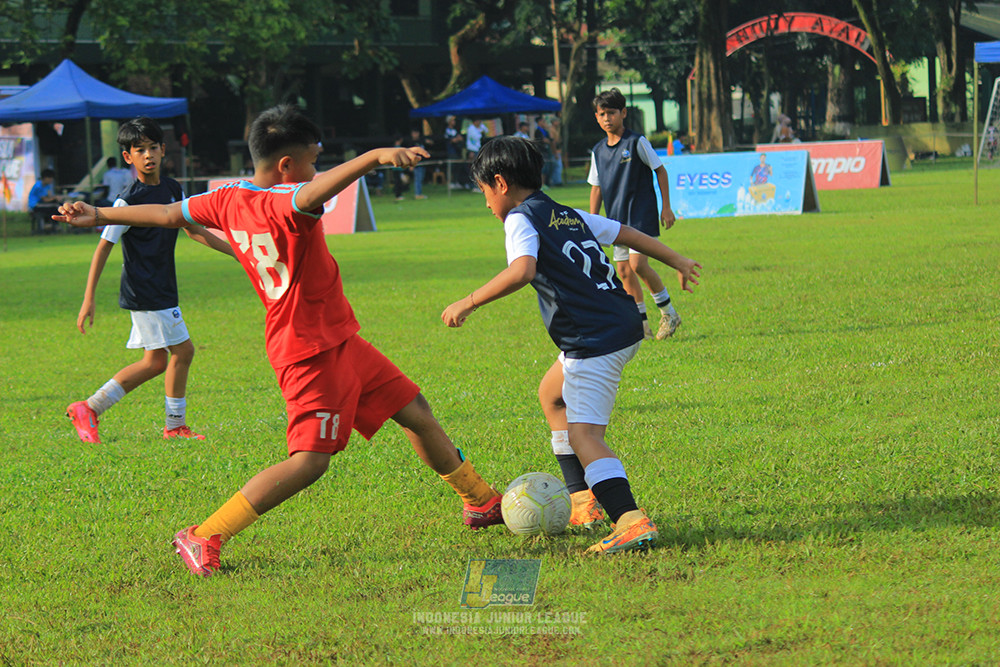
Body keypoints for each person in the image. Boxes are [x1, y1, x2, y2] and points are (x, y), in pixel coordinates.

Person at [55, 105, 504, 577]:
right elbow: (317, 189)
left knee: (414, 409)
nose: (315, 168)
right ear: (286, 165)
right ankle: (204, 533)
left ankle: (480, 501)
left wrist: (99, 212)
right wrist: (374, 157)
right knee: (310, 461)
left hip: (340, 339)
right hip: (307, 349)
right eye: (311, 159)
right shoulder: (286, 204)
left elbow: (169, 214)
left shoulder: (227, 198)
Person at [441, 137, 701, 553]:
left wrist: (468, 301)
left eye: (484, 191)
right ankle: (583, 501)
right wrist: (678, 260)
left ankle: (629, 519)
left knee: (585, 436)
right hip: (620, 323)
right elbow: (627, 232)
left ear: (500, 183)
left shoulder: (519, 219)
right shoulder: (565, 214)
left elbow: (523, 270)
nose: (486, 202)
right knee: (552, 395)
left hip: (593, 339)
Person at [66, 117, 235, 445]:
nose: (148, 155)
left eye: (153, 148)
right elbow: (104, 247)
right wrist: (89, 298)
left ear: (163, 150)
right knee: (183, 351)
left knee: (155, 361)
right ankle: (175, 426)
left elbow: (193, 230)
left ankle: (89, 407)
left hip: (162, 287)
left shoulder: (173, 189)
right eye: (139, 150)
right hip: (145, 290)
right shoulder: (127, 200)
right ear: (128, 157)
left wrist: (235, 252)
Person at [589, 87, 681, 341]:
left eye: (612, 113)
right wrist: (592, 221)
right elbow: (596, 188)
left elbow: (660, 170)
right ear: (596, 117)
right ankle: (642, 326)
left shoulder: (636, 142)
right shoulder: (598, 151)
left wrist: (666, 206)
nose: (607, 118)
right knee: (624, 271)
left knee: (638, 264)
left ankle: (669, 313)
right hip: (616, 220)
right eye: (602, 114)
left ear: (623, 113)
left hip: (640, 215)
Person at [28, 168, 60, 234]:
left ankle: (52, 225)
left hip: (42, 204)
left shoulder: (47, 186)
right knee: (56, 206)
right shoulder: (38, 186)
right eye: (50, 178)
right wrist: (55, 198)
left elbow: (49, 196)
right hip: (36, 205)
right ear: (45, 178)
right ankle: (54, 225)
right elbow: (45, 199)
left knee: (56, 205)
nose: (52, 180)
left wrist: (55, 198)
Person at [408, 126, 433, 199]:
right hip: (416, 163)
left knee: (420, 178)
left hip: (422, 163)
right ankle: (418, 194)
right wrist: (411, 165)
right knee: (417, 179)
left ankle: (419, 193)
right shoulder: (411, 143)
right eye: (413, 133)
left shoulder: (421, 141)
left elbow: (430, 143)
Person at [443, 116, 465, 189]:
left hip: (457, 151)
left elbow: (460, 138)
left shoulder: (455, 130)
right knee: (451, 168)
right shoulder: (447, 130)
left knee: (457, 167)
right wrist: (457, 139)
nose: (454, 122)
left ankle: (456, 182)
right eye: (452, 120)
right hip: (451, 152)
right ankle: (450, 182)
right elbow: (451, 140)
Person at [533, 117, 553, 186]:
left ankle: (545, 183)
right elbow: (541, 140)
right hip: (541, 151)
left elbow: (550, 139)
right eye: (543, 121)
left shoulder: (545, 131)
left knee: (547, 168)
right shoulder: (537, 131)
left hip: (546, 151)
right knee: (543, 168)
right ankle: (542, 183)